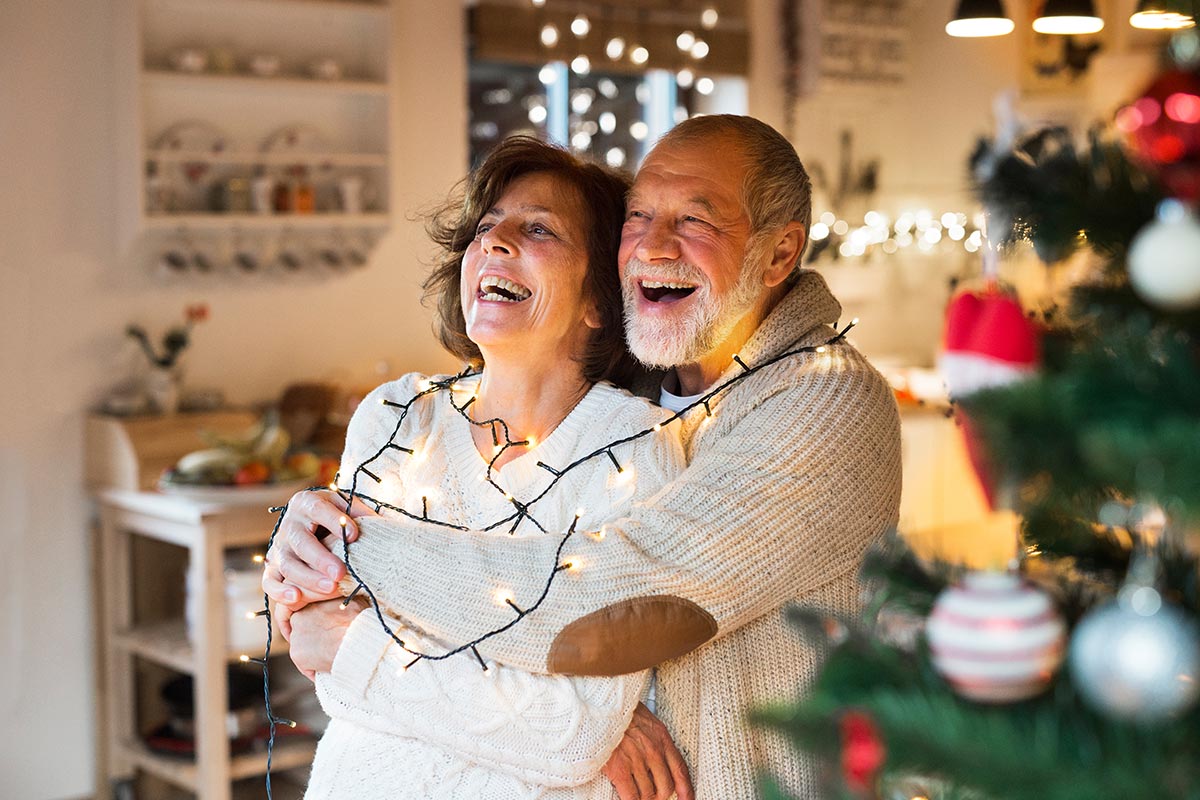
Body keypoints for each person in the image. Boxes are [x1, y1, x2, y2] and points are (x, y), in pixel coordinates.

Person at [268, 115, 902, 799]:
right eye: (639, 216)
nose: (653, 246)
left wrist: (348, 556)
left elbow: (626, 601)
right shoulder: (645, 380)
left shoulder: (824, 400)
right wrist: (299, 573)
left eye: (695, 218)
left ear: (779, 256)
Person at [296, 136, 689, 799]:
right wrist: (529, 711)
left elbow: (572, 734)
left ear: (599, 299)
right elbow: (319, 661)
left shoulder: (635, 452)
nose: (495, 243)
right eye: (485, 228)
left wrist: (360, 650)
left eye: (538, 228)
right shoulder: (396, 416)